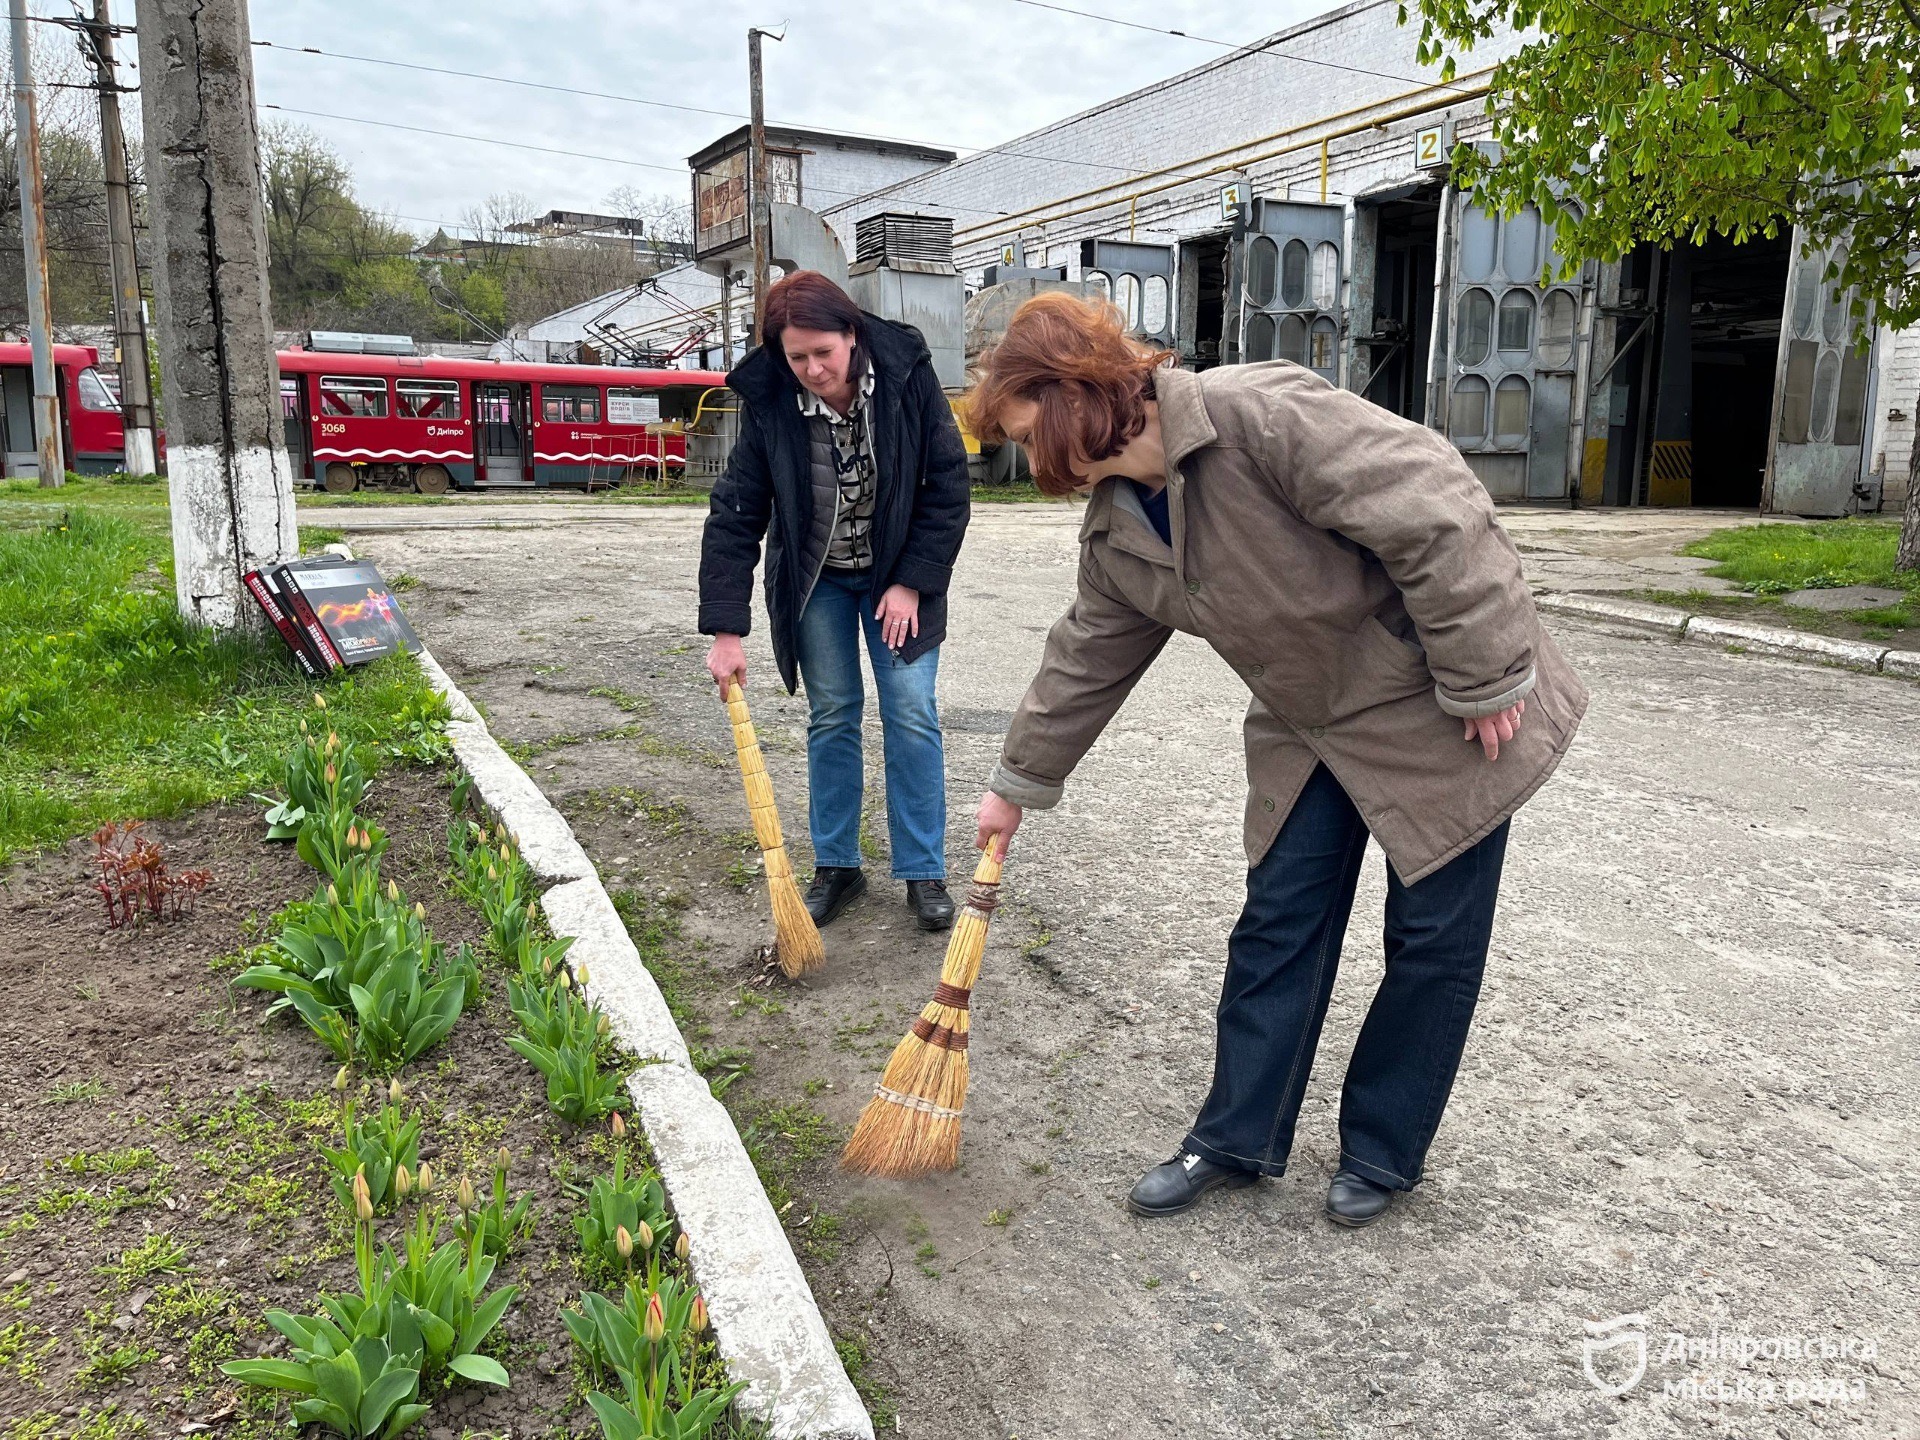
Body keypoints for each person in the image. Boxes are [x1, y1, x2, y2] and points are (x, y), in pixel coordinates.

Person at [965, 293, 1587, 1226]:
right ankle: (1234, 1137)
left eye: (1026, 431)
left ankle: (1381, 1152)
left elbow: (1438, 509)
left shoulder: (1258, 415)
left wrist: (1489, 671)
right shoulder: (1117, 527)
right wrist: (1018, 783)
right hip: (1307, 722)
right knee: (1277, 924)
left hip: (1436, 702)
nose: (1032, 457)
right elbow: (1088, 652)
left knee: (1430, 941)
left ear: (1073, 398)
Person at [699, 270, 971, 931]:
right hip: (817, 580)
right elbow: (735, 511)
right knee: (832, 716)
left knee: (910, 713)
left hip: (895, 579)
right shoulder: (770, 402)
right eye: (798, 357)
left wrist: (913, 580)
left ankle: (923, 870)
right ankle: (838, 868)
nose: (813, 369)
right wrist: (725, 631)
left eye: (824, 351)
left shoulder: (906, 375)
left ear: (852, 335)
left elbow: (948, 481)